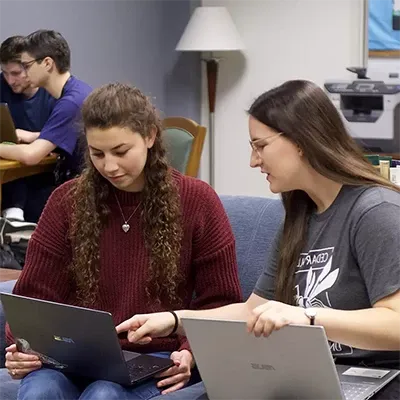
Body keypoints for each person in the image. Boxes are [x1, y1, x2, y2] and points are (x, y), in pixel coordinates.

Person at [116, 80, 400, 400]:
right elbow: (252, 311)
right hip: (310, 374)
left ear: (300, 140)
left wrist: (306, 317)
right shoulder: (299, 215)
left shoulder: (376, 210)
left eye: (260, 146)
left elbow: (396, 324)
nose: (254, 161)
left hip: (377, 380)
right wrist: (173, 320)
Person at [4, 82, 242, 400]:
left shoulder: (197, 200)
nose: (110, 166)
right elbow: (33, 300)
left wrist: (190, 352)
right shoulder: (67, 201)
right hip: (70, 359)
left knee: (104, 395)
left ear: (149, 136)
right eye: (97, 154)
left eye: (121, 151)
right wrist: (25, 347)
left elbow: (222, 304)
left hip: (155, 358)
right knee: (39, 394)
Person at [0, 30, 92, 223]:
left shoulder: (70, 102)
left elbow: (31, 155)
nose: (24, 73)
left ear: (48, 64)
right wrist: (34, 136)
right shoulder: (77, 92)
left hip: (81, 193)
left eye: (26, 65)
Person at [0, 35, 55, 225]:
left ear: (30, 68)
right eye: (5, 73)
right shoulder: (1, 86)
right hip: (7, 174)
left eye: (15, 73)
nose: (9, 80)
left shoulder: (53, 93)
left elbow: (64, 134)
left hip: (42, 177)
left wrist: (34, 137)